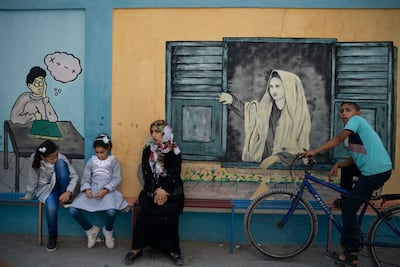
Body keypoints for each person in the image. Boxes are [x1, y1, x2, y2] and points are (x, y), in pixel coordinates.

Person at [303, 102, 392, 267]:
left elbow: (337, 139)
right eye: (342, 111)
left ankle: (351, 253)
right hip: (377, 169)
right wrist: (338, 165)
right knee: (347, 169)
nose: (344, 113)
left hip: (375, 172)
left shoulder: (357, 122)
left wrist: (314, 151)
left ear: (357, 113)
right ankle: (346, 198)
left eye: (348, 110)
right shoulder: (356, 134)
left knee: (349, 209)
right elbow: (356, 158)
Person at [219, 69, 311, 169]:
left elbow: (300, 149)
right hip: (263, 159)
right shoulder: (265, 108)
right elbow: (250, 114)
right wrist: (232, 101)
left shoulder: (297, 115)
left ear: (288, 87)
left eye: (278, 86)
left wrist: (277, 158)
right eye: (271, 87)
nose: (273, 90)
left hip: (282, 165)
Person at [124, 120, 184, 266]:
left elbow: (174, 174)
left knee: (169, 212)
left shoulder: (175, 151)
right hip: (152, 190)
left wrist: (164, 190)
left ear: (165, 133)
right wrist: (157, 190)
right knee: (145, 210)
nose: (153, 135)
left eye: (157, 132)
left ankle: (173, 250)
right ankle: (137, 248)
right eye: (152, 132)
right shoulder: (148, 150)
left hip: (172, 191)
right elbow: (147, 175)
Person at [69, 133, 128, 249]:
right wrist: (87, 190)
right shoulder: (91, 162)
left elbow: (116, 179)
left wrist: (106, 190)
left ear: (108, 149)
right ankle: (90, 230)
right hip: (93, 191)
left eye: (102, 152)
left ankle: (108, 231)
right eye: (97, 152)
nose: (100, 155)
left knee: (111, 212)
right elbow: (86, 178)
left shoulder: (114, 162)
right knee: (73, 210)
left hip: (108, 191)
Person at [21, 140, 79, 252]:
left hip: (62, 187)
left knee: (61, 164)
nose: (56, 158)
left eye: (56, 155)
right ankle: (52, 237)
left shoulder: (61, 158)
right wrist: (29, 194)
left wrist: (68, 192)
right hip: (47, 190)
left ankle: (66, 199)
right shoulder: (35, 159)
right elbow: (32, 178)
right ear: (43, 157)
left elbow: (74, 176)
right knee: (51, 209)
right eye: (52, 158)